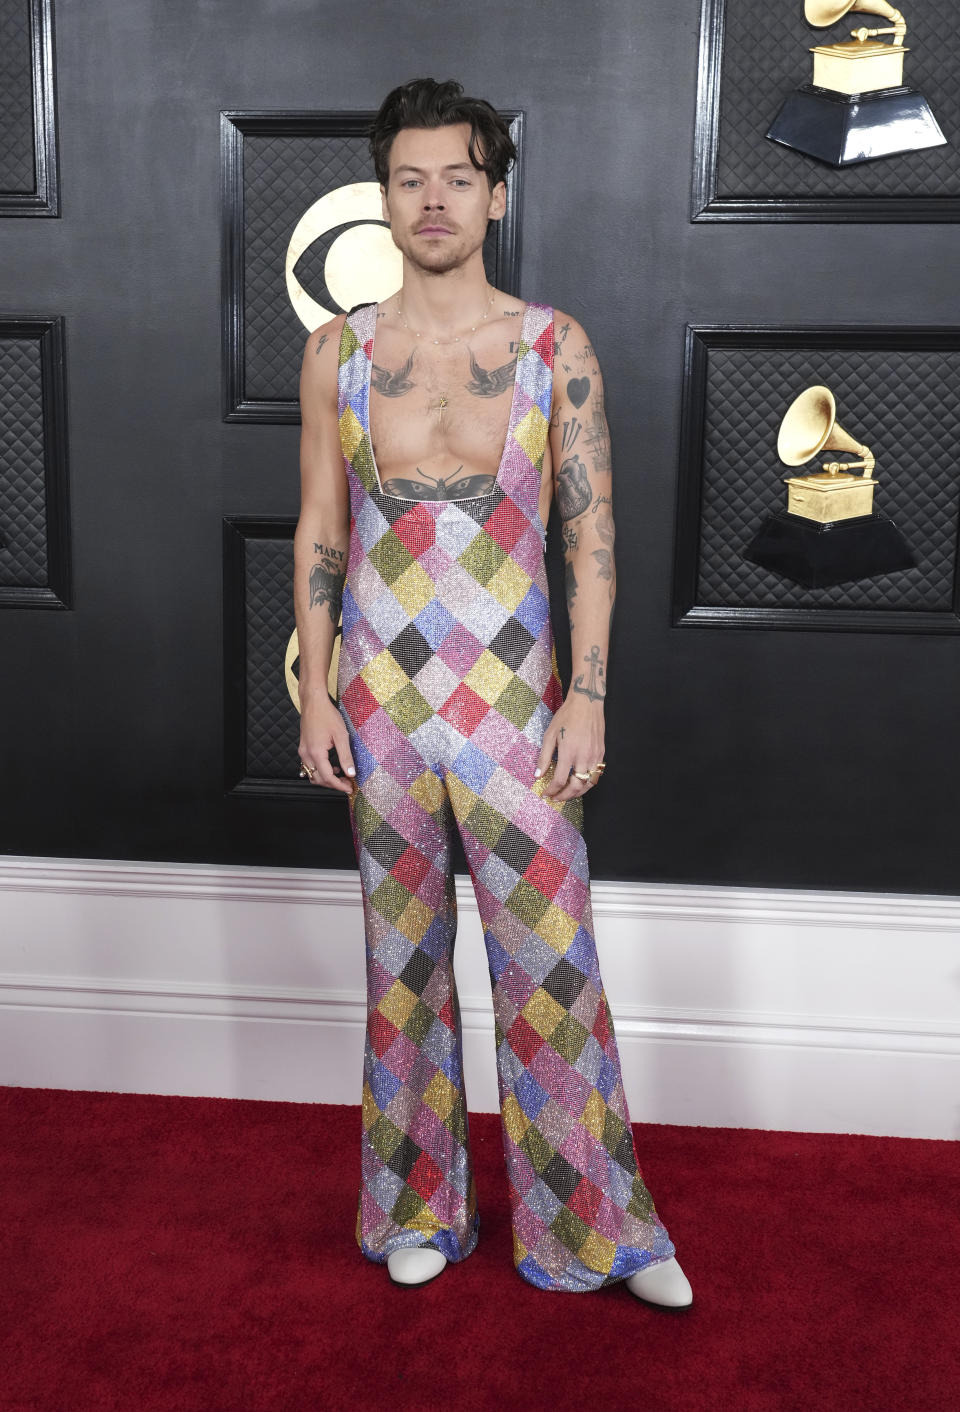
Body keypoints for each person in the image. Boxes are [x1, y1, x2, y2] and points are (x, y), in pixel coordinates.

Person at [293, 77, 692, 1307]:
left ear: (496, 195)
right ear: (384, 193)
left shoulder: (550, 347)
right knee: (399, 968)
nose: (432, 200)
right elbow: (318, 523)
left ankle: (602, 1228)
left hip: (519, 703)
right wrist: (311, 696)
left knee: (552, 968)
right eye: (410, 178)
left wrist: (592, 695)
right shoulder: (339, 351)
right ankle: (413, 1202)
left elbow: (593, 535)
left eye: (457, 178)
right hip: (378, 702)